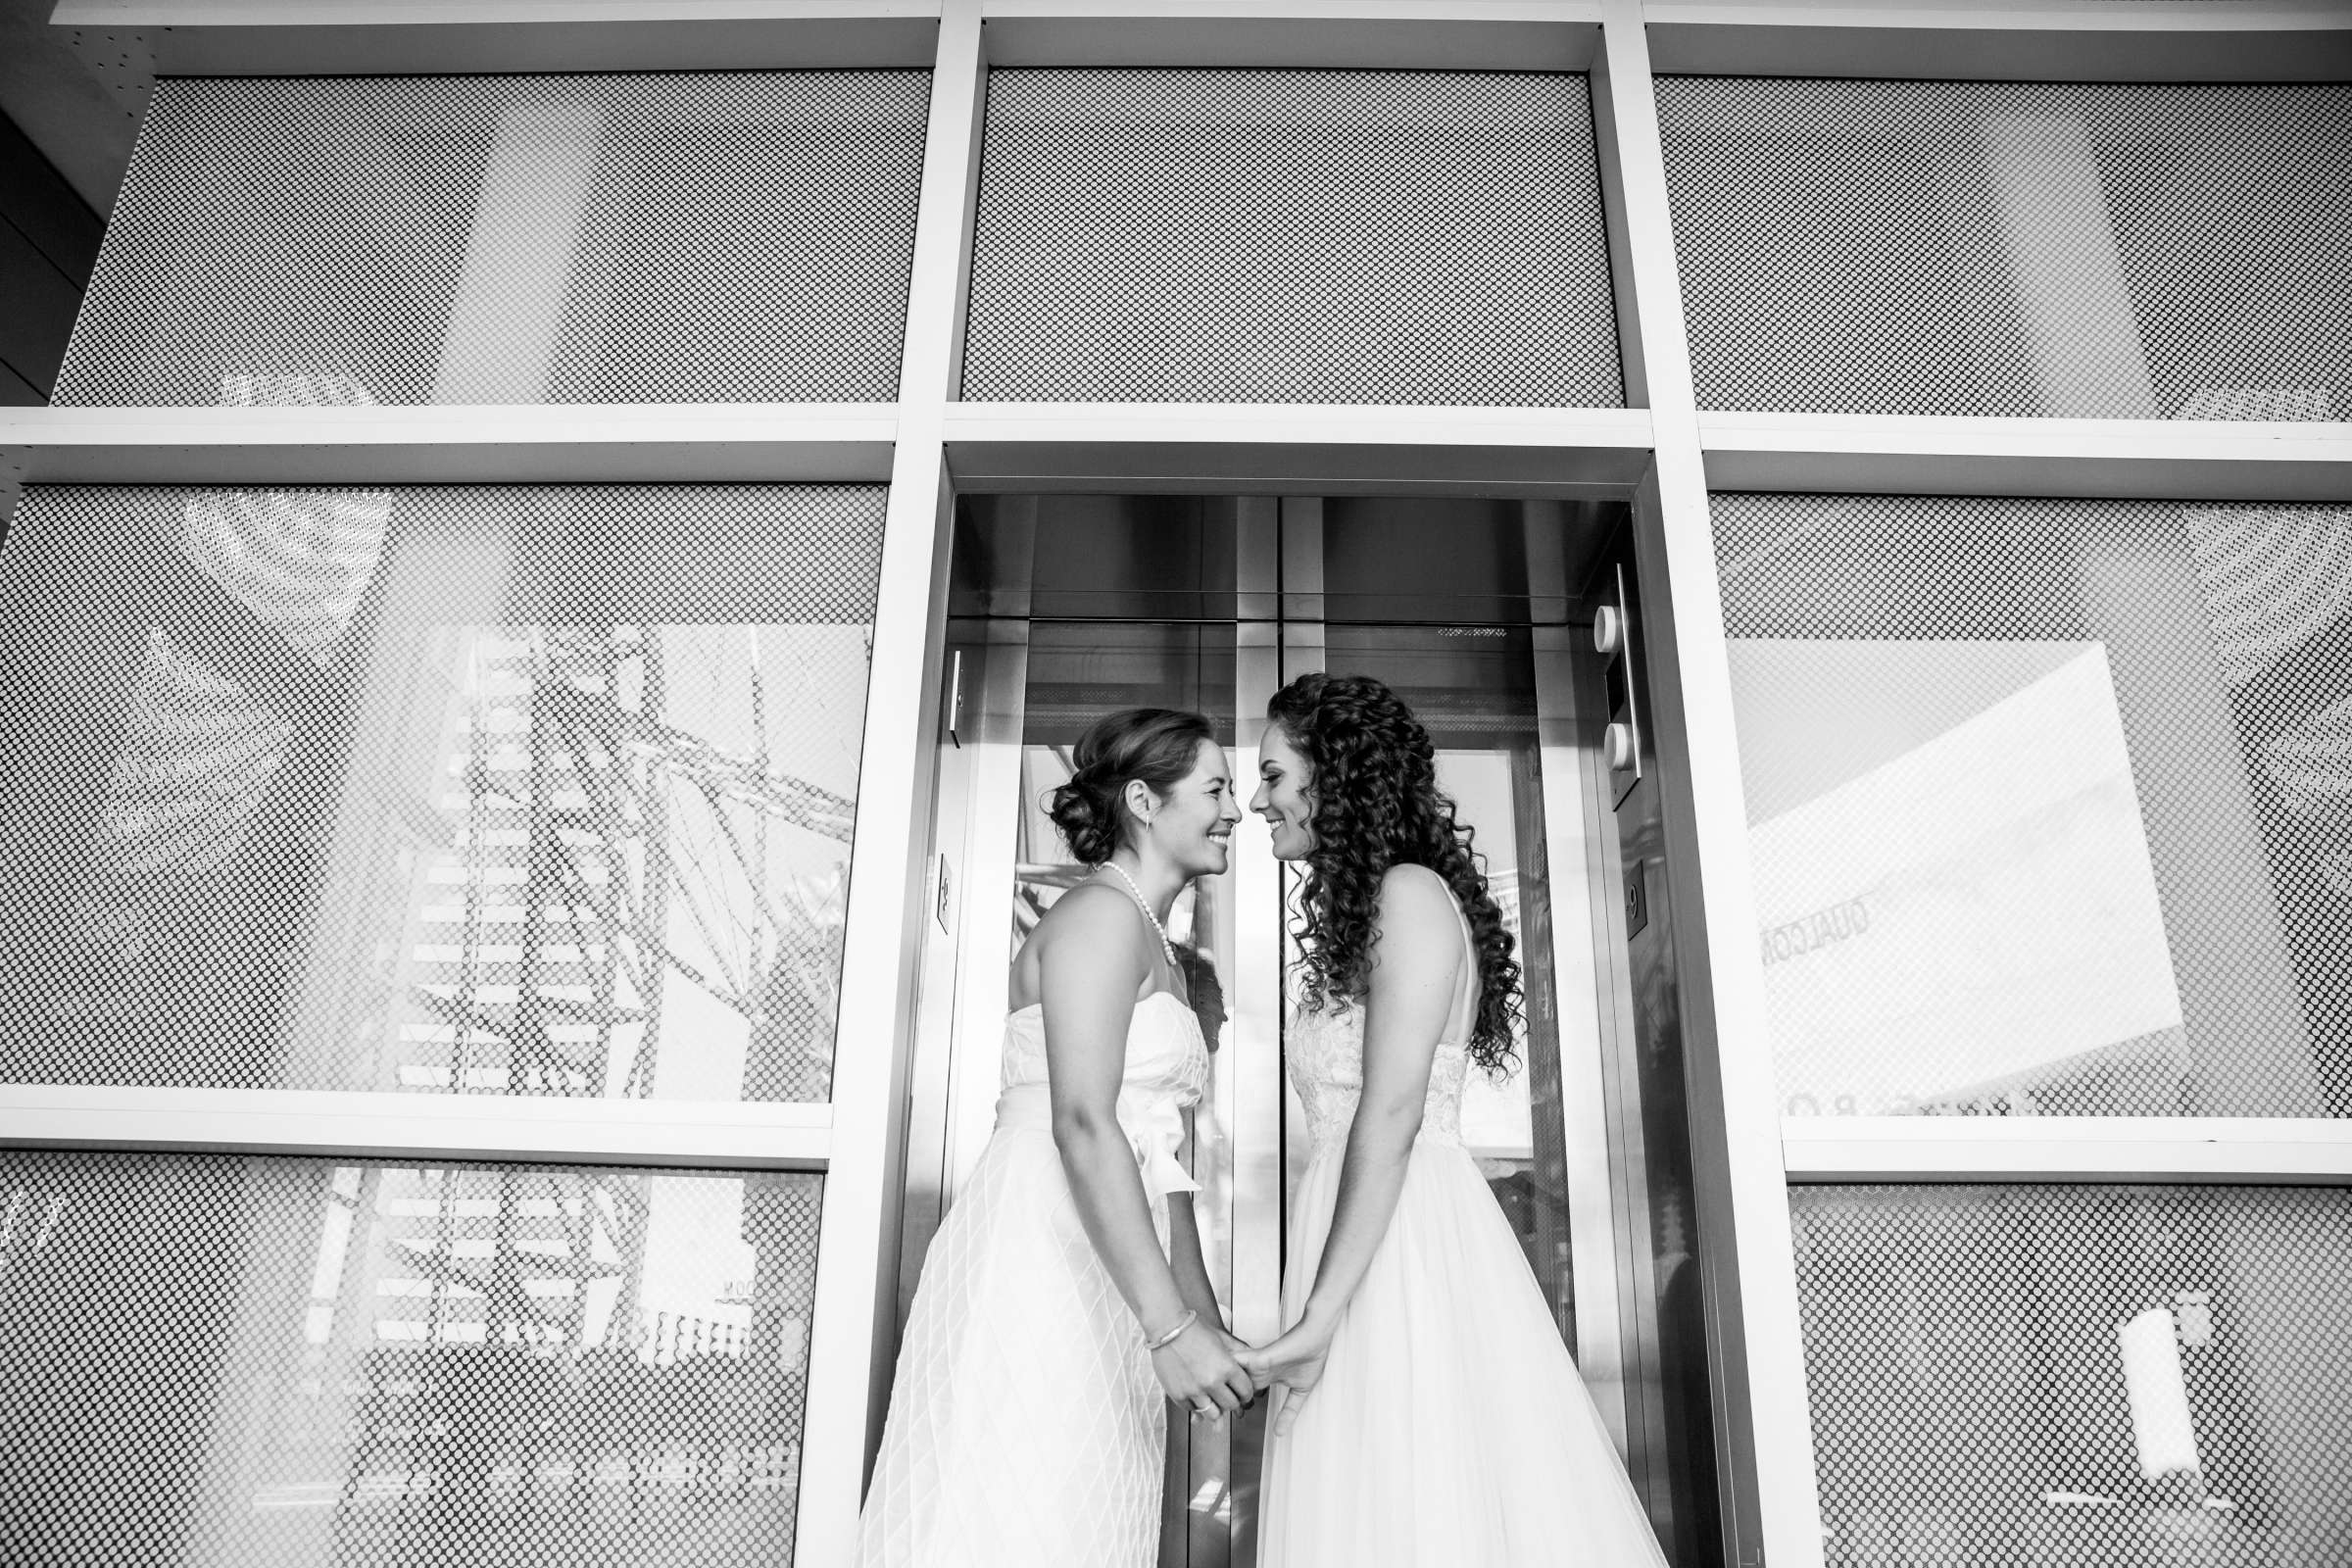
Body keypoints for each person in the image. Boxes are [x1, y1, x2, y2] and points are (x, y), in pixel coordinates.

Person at [1241, 673, 1670, 1567]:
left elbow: (1392, 1111)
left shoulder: (1407, 895)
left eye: (1275, 775)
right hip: (1361, 1237)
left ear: (1335, 775)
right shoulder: (1383, 907)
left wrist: (1319, 1319)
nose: (1257, 799)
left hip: (1398, 1250)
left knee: (1409, 1499)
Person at [858, 707, 1254, 1567]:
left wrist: (1204, 1329)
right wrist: (1168, 1328)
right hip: (1043, 1253)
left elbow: (1165, 1163)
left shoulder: (1162, 948)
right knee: (1020, 1502)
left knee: (1083, 1509)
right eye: (1217, 788)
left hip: (1114, 1262)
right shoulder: (1100, 919)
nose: (1236, 809)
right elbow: (1081, 1121)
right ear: (1145, 802)